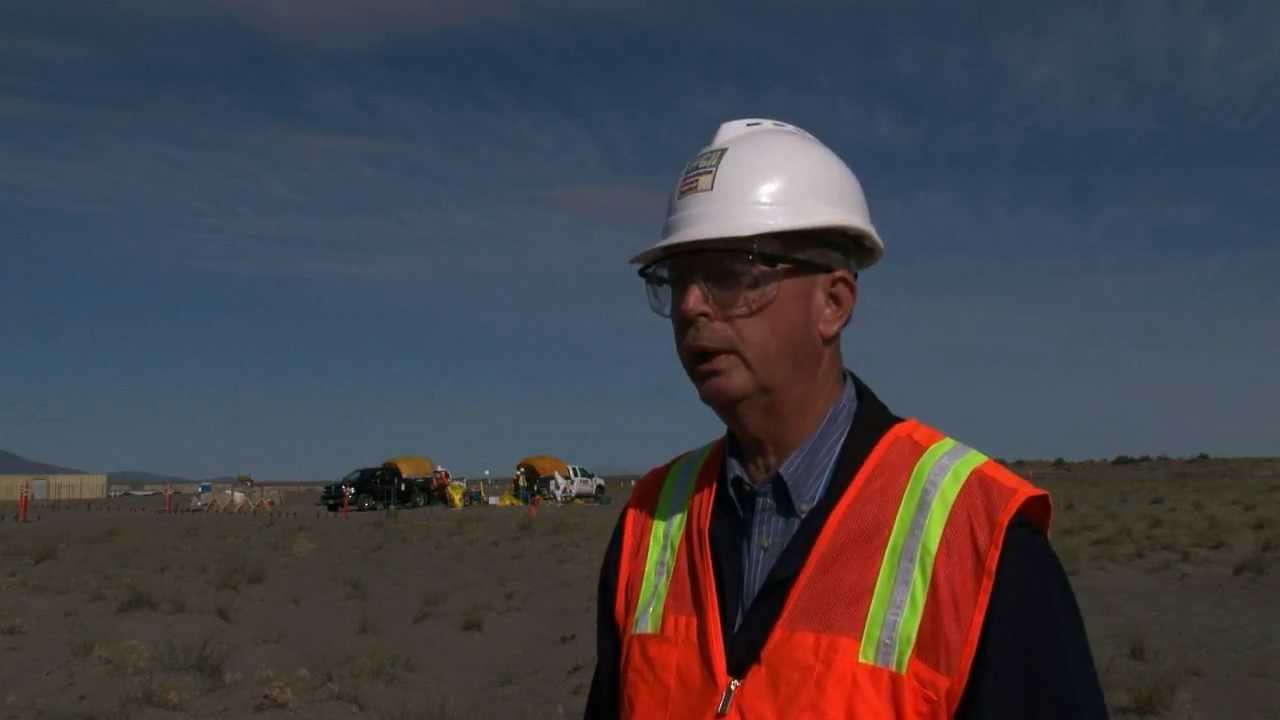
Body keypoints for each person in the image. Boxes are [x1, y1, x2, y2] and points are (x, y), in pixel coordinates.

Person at [585, 119, 1106, 718]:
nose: (690, 306)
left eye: (730, 273)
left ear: (833, 304)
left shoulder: (982, 542)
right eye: (676, 279)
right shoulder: (648, 524)